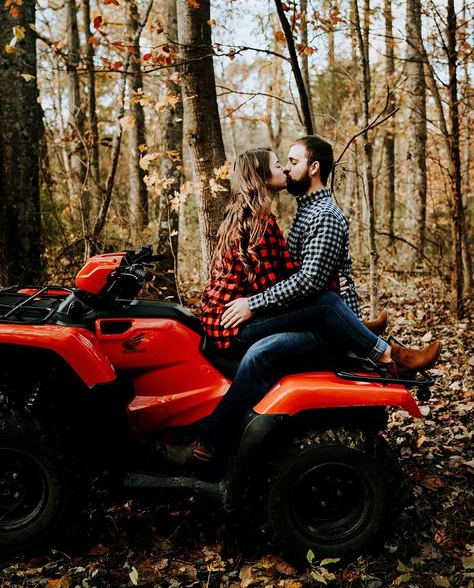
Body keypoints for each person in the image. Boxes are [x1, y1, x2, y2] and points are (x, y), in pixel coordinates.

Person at [163, 141, 441, 464]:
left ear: (313, 168)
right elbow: (286, 281)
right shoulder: (276, 216)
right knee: (316, 309)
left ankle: (385, 352)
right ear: (262, 177)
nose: (284, 168)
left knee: (321, 304)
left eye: (291, 161)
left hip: (255, 314)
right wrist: (252, 301)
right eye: (280, 162)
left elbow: (303, 282)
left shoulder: (322, 216)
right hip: (233, 319)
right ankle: (374, 343)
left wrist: (254, 302)